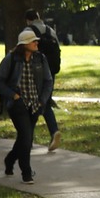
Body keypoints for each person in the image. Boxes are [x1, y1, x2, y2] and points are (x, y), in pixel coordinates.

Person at [0, 28, 53, 183]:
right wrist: (14, 95)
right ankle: (26, 172)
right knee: (26, 137)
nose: (36, 43)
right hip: (18, 104)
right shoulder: (12, 59)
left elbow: (48, 81)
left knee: (25, 138)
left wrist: (42, 101)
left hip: (35, 104)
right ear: (24, 44)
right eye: (33, 41)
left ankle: (10, 159)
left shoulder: (40, 59)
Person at [22, 9, 64, 151]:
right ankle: (54, 131)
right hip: (50, 73)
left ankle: (28, 139)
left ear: (28, 20)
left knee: (29, 104)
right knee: (44, 102)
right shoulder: (50, 31)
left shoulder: (28, 31)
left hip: (33, 72)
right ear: (38, 17)